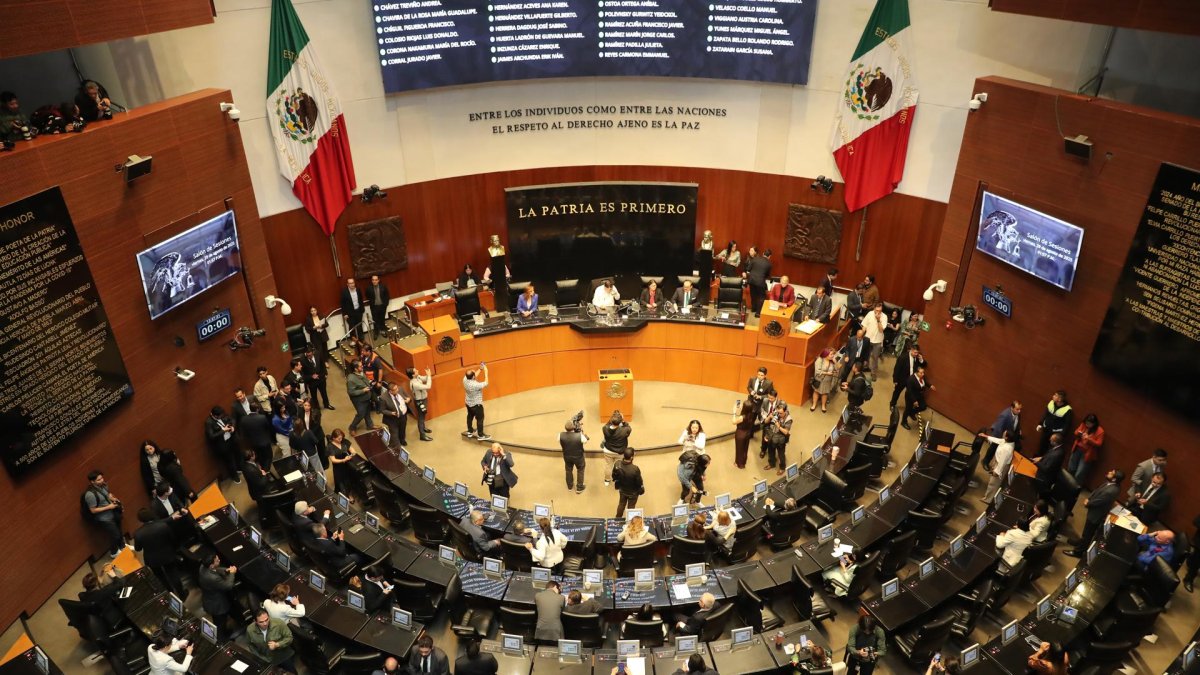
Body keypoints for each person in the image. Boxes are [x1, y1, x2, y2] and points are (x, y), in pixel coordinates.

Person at [1065, 469, 1123, 557]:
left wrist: (1088, 503)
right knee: (1086, 532)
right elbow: (1097, 491)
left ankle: (1078, 552)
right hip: (1094, 511)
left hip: (1096, 514)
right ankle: (1080, 542)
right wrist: (1089, 498)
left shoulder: (1111, 490)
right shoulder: (1110, 483)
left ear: (1114, 479)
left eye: (1112, 473)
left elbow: (1099, 501)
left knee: (1088, 534)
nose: (1109, 472)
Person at [134, 509, 185, 597]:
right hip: (168, 555)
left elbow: (138, 549)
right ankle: (182, 594)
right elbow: (172, 539)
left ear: (140, 519)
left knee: (160, 578)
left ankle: (170, 594)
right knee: (173, 574)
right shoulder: (163, 526)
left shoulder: (138, 533)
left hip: (152, 560)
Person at [83, 470, 129, 558]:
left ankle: (122, 547)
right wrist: (109, 507)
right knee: (114, 535)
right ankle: (114, 552)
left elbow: (108, 494)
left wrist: (114, 499)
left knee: (119, 531)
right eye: (99, 480)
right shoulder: (89, 494)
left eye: (102, 478)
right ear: (92, 481)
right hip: (104, 518)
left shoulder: (104, 485)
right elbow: (93, 510)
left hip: (113, 513)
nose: (102, 480)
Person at [198, 554, 238, 639]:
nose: (219, 560)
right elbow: (228, 586)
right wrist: (232, 573)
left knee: (219, 622)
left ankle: (225, 633)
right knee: (220, 624)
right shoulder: (212, 578)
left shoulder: (203, 566)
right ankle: (222, 641)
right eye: (217, 560)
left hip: (209, 599)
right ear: (211, 565)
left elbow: (215, 570)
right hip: (217, 605)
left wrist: (226, 570)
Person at [978, 429, 1014, 504]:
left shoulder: (1007, 449)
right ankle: (988, 497)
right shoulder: (1007, 442)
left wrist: (997, 472)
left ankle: (988, 499)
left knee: (993, 483)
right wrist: (986, 436)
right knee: (993, 482)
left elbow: (1002, 463)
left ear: (1007, 437)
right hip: (998, 462)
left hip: (1000, 466)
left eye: (1004, 433)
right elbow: (997, 440)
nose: (1003, 434)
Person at [1067, 413, 1104, 485]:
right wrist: (1079, 433)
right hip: (1077, 449)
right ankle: (1066, 483)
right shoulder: (1083, 424)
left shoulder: (1100, 431)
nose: (1087, 425)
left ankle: (1074, 487)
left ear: (1094, 423)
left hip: (1087, 454)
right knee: (1071, 468)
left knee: (1080, 472)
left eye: (1089, 424)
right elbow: (1076, 432)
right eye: (1086, 423)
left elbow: (1099, 444)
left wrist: (1089, 439)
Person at [984, 400, 1022, 467]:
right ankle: (985, 462)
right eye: (1017, 409)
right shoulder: (1005, 415)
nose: (1019, 411)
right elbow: (998, 428)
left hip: (1009, 435)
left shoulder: (1018, 414)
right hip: (1000, 435)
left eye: (1020, 409)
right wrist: (1000, 439)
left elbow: (1016, 423)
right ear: (1012, 408)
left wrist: (1018, 430)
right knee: (993, 448)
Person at [1035, 390, 1073, 457]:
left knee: (1050, 452)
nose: (1053, 396)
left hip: (1055, 434)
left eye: (1055, 395)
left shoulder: (1067, 410)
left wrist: (1060, 435)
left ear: (1060, 399)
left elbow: (1067, 425)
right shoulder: (1051, 403)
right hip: (1045, 430)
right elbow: (1045, 414)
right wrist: (1040, 424)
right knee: (1041, 448)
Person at [890, 344, 927, 410]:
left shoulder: (917, 358)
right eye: (915, 352)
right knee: (897, 392)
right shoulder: (903, 357)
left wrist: (921, 359)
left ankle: (910, 409)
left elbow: (924, 365)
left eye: (917, 352)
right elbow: (897, 369)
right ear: (911, 350)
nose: (916, 354)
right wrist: (895, 380)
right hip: (902, 379)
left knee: (912, 393)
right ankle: (892, 404)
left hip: (912, 380)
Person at [602, 410, 632, 486]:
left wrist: (613, 418)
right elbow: (629, 427)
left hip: (608, 451)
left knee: (608, 465)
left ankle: (607, 481)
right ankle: (618, 480)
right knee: (619, 466)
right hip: (620, 452)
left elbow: (608, 424)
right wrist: (623, 420)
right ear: (620, 421)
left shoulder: (605, 428)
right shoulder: (625, 430)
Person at [240, 402, 275, 468]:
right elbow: (268, 428)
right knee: (268, 457)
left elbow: (244, 432)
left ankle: (262, 468)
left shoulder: (244, 419)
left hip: (253, 443)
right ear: (257, 409)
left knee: (259, 458)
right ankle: (266, 471)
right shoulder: (262, 417)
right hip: (265, 442)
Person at [612, 449, 644, 518]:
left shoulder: (617, 463)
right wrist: (641, 489)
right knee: (631, 507)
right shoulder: (635, 469)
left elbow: (614, 476)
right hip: (633, 493)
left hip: (622, 490)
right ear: (631, 457)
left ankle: (617, 519)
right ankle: (629, 521)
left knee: (621, 504)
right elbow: (639, 482)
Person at [763, 401, 793, 475]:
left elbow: (786, 432)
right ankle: (772, 463)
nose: (779, 414)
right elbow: (766, 422)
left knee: (781, 454)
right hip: (772, 436)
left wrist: (779, 426)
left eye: (781, 413)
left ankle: (782, 468)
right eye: (778, 412)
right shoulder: (776, 412)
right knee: (771, 451)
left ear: (785, 411)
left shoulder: (788, 419)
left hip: (780, 439)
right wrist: (769, 417)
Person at [1033, 433, 1066, 498]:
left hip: (1044, 480)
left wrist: (1036, 462)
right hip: (1043, 474)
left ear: (1055, 442)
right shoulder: (1057, 448)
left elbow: (1046, 469)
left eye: (1051, 440)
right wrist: (1041, 458)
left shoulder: (1057, 454)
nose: (1049, 440)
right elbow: (1048, 456)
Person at [345, 359, 374, 433]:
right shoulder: (351, 379)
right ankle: (352, 427)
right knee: (361, 414)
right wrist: (363, 390)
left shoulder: (361, 373)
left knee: (367, 412)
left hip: (366, 397)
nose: (362, 367)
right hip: (359, 400)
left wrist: (370, 383)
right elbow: (351, 392)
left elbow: (365, 381)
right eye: (361, 366)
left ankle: (370, 425)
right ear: (355, 369)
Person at [379, 382, 410, 450]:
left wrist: (408, 399)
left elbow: (408, 396)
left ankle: (402, 440)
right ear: (390, 391)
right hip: (392, 419)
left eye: (397, 388)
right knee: (394, 434)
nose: (397, 390)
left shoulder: (400, 389)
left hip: (403, 416)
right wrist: (391, 413)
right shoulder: (383, 398)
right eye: (395, 389)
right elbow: (382, 410)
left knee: (402, 430)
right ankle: (398, 448)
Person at [559, 420, 587, 493]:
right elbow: (585, 441)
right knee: (580, 470)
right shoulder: (579, 435)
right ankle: (579, 487)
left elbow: (561, 440)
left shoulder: (560, 435)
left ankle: (570, 486)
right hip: (579, 457)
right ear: (574, 427)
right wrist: (581, 432)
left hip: (567, 456)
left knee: (568, 470)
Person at [901, 364, 933, 429]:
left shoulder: (922, 376)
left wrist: (930, 386)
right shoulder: (911, 379)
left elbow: (925, 382)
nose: (923, 374)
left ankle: (912, 412)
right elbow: (910, 391)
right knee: (907, 409)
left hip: (919, 395)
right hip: (911, 397)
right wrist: (914, 401)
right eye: (921, 373)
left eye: (923, 372)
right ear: (916, 372)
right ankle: (903, 421)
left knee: (923, 406)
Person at [463, 364, 490, 440]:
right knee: (480, 419)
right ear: (473, 377)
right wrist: (486, 371)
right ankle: (481, 435)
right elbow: (486, 383)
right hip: (476, 405)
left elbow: (474, 375)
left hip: (468, 403)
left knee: (470, 416)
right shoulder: (475, 384)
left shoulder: (465, 379)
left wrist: (480, 369)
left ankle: (470, 431)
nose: (474, 371)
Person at [406, 367, 433, 441]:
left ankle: (423, 428)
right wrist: (429, 376)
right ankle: (422, 435)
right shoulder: (415, 384)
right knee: (421, 418)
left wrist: (428, 375)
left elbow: (425, 379)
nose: (418, 370)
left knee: (423, 414)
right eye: (415, 371)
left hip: (423, 399)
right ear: (413, 375)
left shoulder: (417, 377)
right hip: (420, 401)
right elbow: (428, 386)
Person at [743, 246, 772, 315]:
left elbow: (748, 269)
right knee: (761, 297)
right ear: (769, 256)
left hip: (751, 280)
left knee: (753, 295)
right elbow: (767, 275)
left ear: (763, 253)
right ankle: (758, 313)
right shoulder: (769, 264)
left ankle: (753, 309)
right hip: (760, 282)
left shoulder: (755, 259)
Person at [810, 348, 839, 413]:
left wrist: (835, 362)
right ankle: (814, 405)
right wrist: (827, 373)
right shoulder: (820, 360)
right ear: (826, 354)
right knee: (816, 391)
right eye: (831, 354)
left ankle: (823, 406)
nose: (832, 356)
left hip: (828, 381)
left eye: (833, 354)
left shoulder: (832, 361)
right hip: (819, 380)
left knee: (825, 393)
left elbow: (838, 369)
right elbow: (818, 371)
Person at [862, 304, 886, 378]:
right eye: (876, 310)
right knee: (866, 355)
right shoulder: (869, 314)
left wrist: (878, 320)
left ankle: (873, 372)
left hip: (878, 341)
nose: (878, 312)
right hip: (868, 338)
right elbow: (864, 325)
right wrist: (861, 335)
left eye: (880, 311)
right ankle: (866, 367)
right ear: (874, 309)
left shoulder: (884, 317)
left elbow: (881, 329)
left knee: (875, 357)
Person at [732, 398, 757, 469]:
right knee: (744, 448)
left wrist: (734, 412)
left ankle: (738, 463)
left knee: (739, 449)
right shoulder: (752, 414)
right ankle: (743, 462)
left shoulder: (742, 417)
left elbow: (733, 422)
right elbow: (745, 413)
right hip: (747, 433)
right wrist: (740, 408)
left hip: (740, 434)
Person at [365, 275, 390, 339]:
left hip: (382, 306)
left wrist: (386, 304)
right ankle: (376, 332)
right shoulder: (368, 288)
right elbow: (367, 296)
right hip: (374, 307)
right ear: (371, 281)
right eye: (373, 280)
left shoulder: (383, 287)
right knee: (375, 320)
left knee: (382, 319)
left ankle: (383, 331)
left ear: (378, 280)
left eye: (376, 280)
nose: (374, 281)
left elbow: (387, 295)